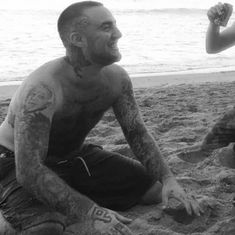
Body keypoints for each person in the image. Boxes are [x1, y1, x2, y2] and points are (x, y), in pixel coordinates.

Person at [0, 1, 201, 234]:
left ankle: (69, 193)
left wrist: (168, 179)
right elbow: (29, 170)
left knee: (155, 191)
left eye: (115, 26)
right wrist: (89, 212)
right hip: (13, 160)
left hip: (72, 157)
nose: (118, 34)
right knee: (46, 228)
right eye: (106, 27)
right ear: (77, 39)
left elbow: (136, 133)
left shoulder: (117, 79)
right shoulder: (43, 89)